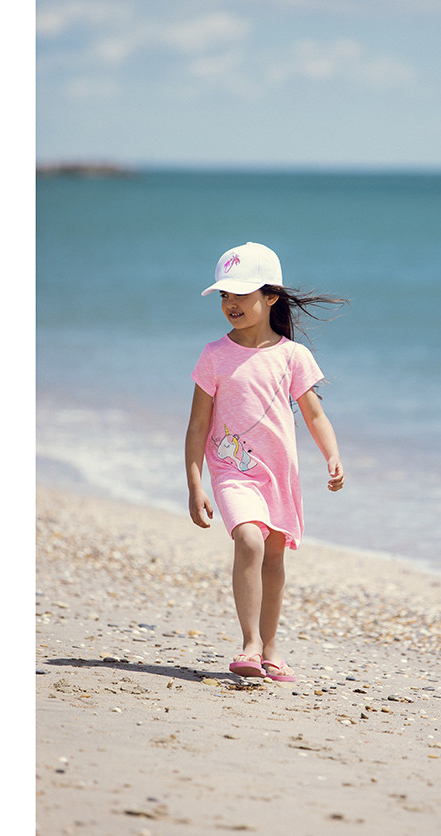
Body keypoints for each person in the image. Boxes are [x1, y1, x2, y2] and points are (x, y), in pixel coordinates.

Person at [185, 242, 345, 683]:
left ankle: (271, 648)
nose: (230, 304)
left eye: (241, 293)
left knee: (275, 557)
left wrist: (332, 455)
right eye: (224, 295)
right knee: (250, 541)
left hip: (279, 474)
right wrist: (195, 483)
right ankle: (249, 644)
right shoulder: (214, 355)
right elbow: (198, 425)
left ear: (271, 296)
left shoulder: (292, 356)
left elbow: (314, 414)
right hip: (232, 470)